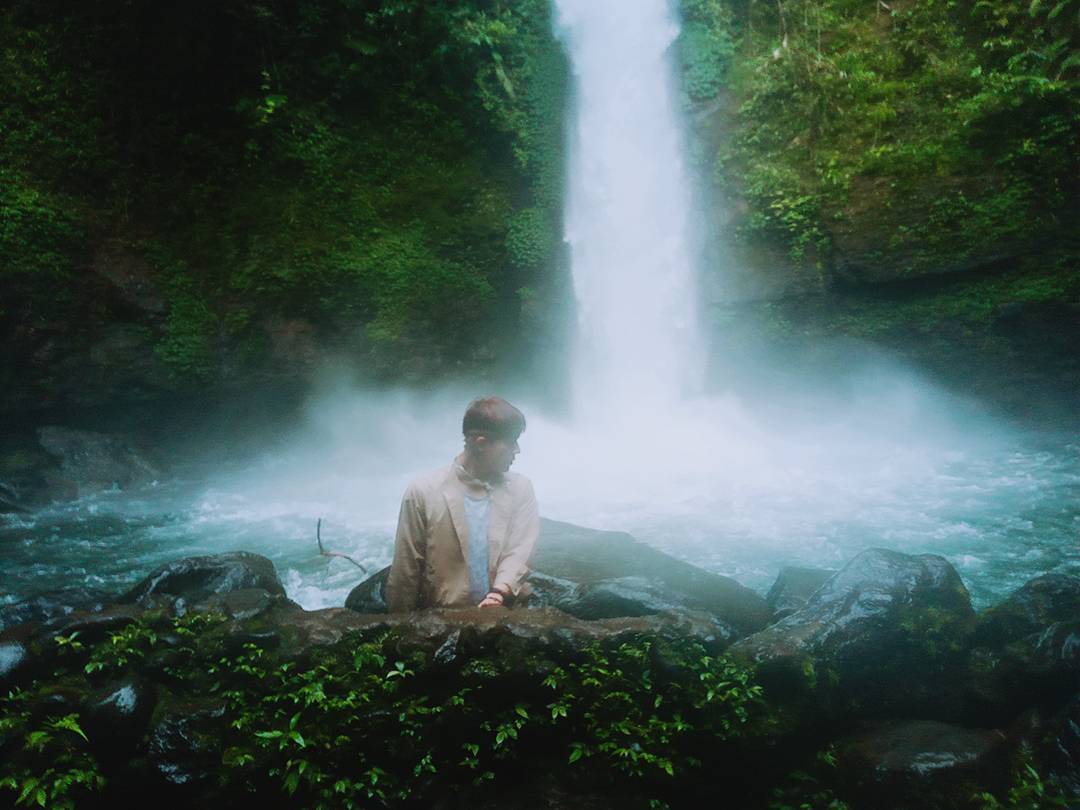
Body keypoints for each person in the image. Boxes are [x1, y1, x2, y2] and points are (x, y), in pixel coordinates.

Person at [385, 396, 539, 611]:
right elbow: (406, 569)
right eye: (511, 442)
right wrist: (399, 629)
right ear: (481, 443)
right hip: (442, 619)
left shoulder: (521, 487)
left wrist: (500, 592)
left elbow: (521, 550)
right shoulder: (423, 491)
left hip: (506, 614)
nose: (517, 450)